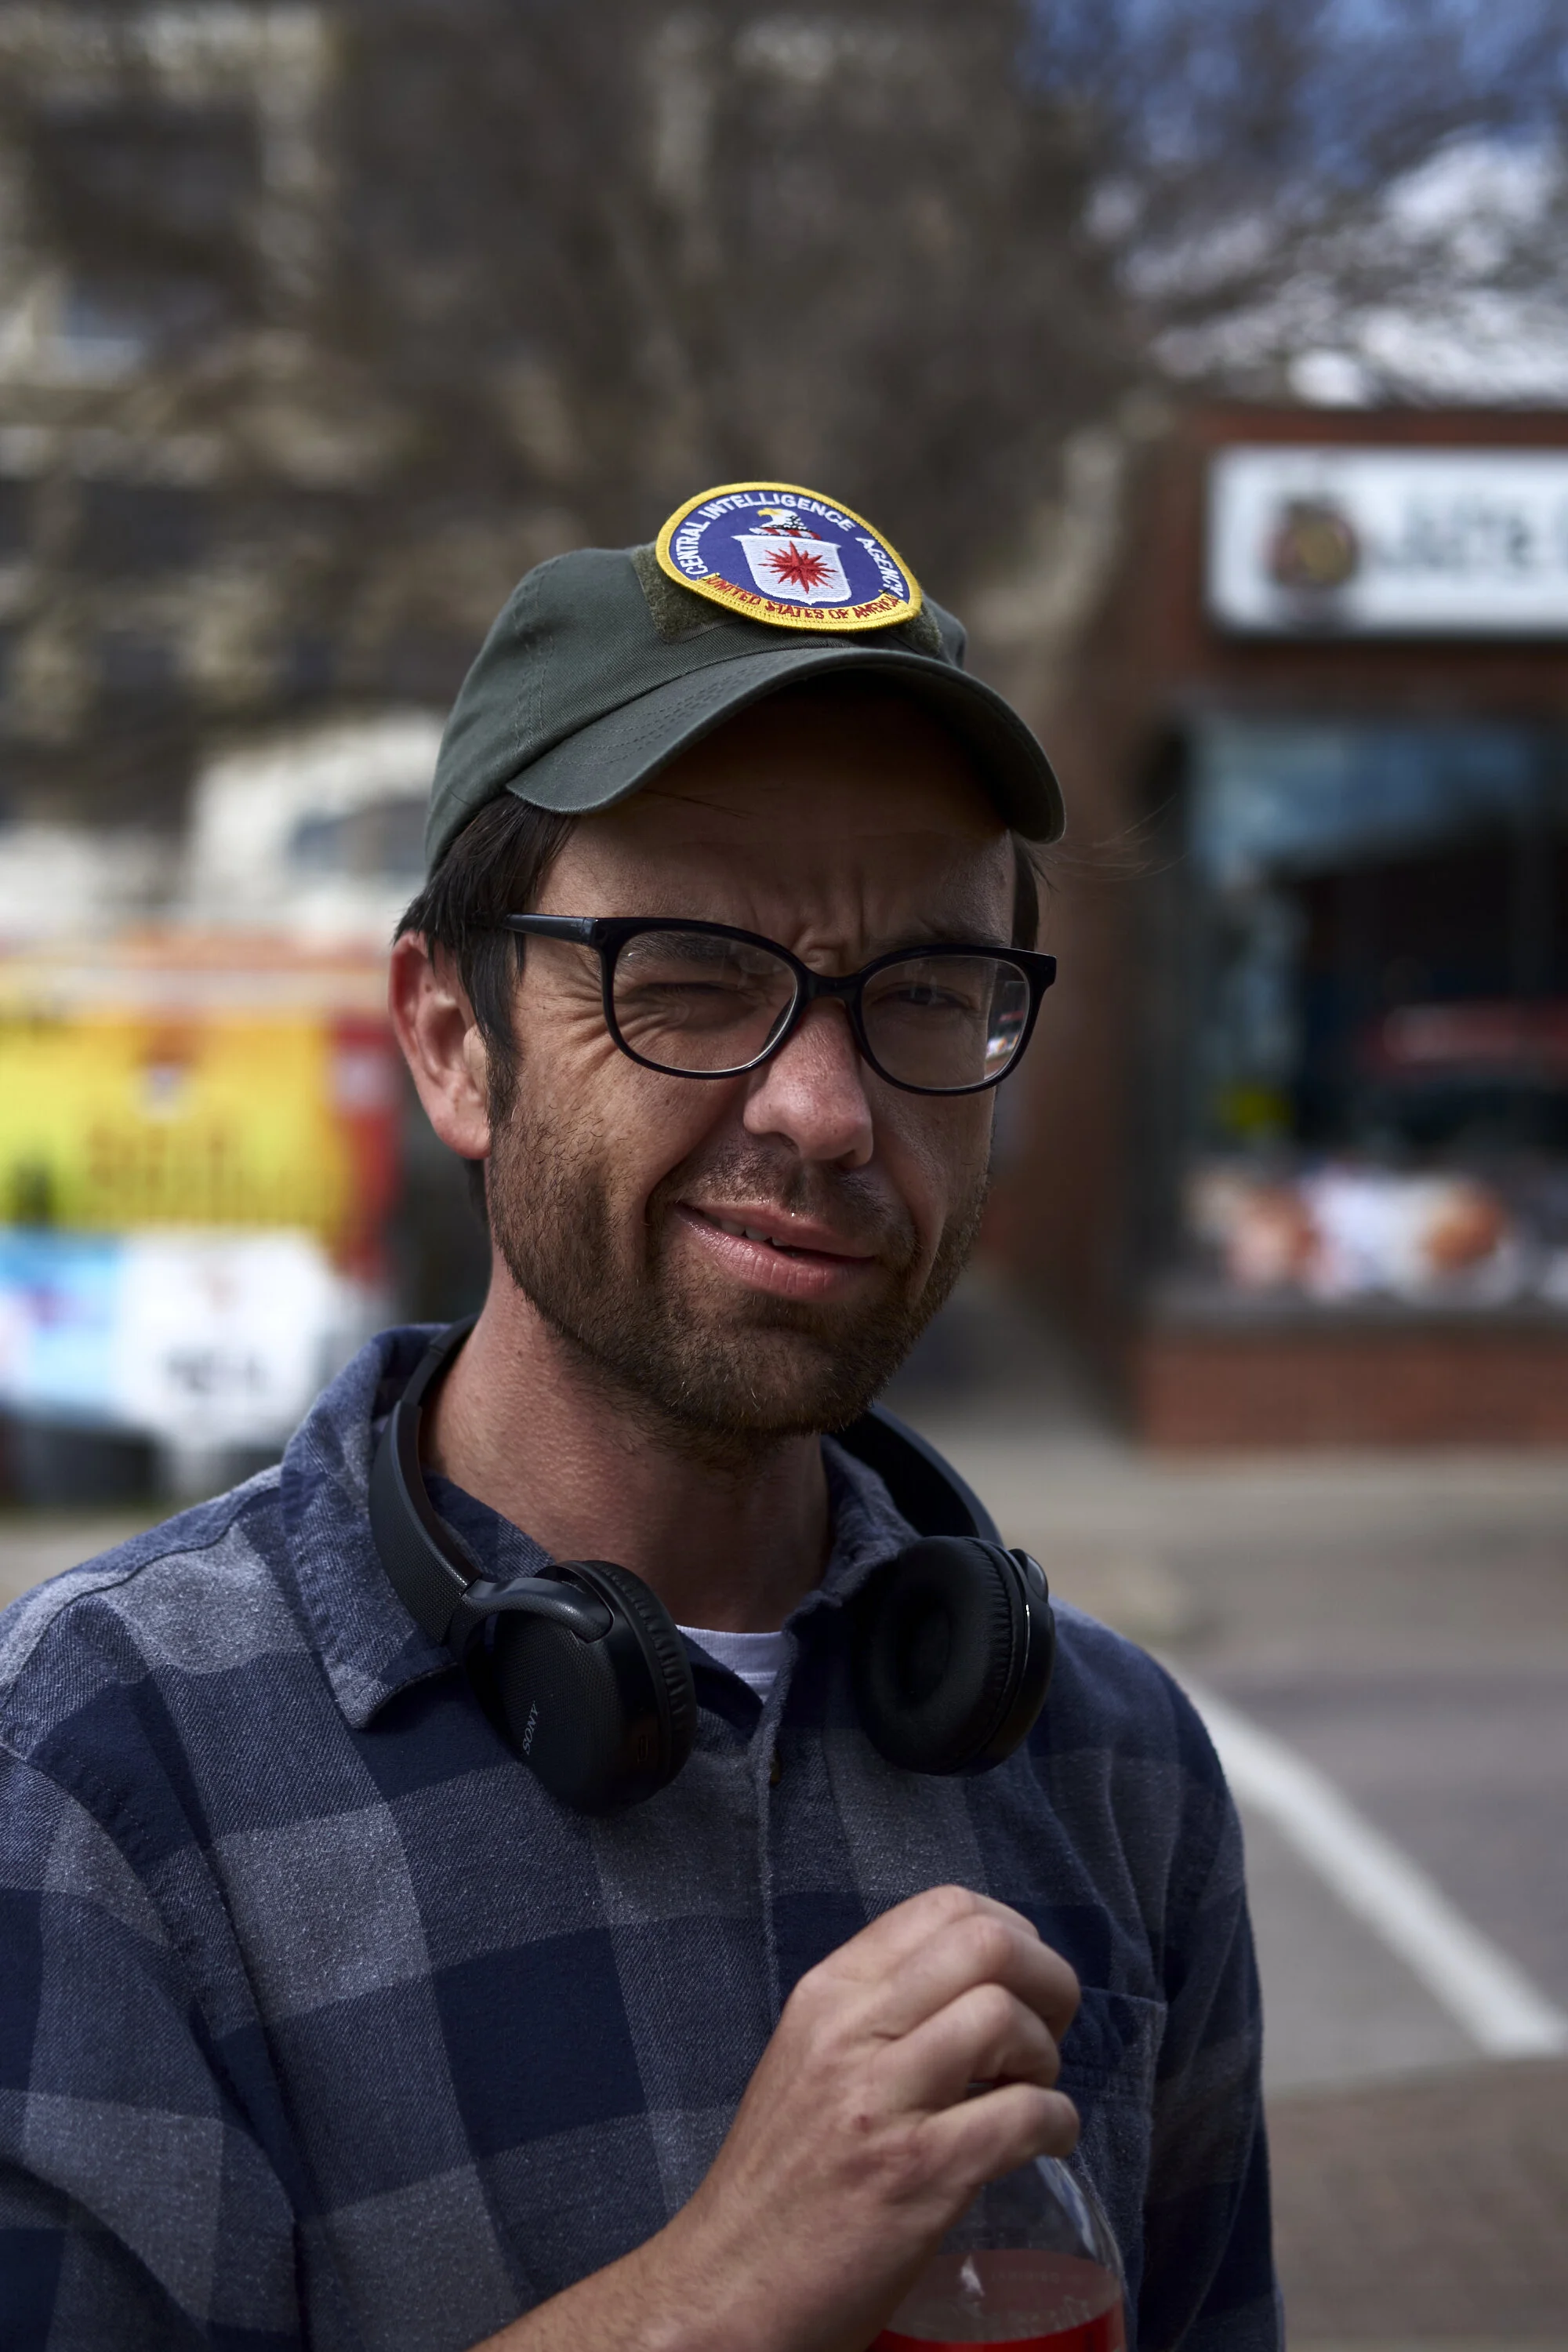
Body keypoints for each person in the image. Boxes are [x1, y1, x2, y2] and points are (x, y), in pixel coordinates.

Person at [0, 488, 1279, 2352]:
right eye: (689, 978)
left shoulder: (1117, 1766)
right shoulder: (104, 1772)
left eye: (928, 993)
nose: (826, 1110)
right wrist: (714, 2295)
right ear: (453, 1040)